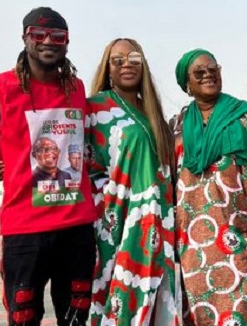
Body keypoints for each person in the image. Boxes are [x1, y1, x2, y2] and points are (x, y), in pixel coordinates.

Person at [0, 7, 97, 326]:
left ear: (67, 42)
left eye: (57, 36)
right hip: (25, 231)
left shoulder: (76, 88)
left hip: (76, 228)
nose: (48, 41)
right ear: (25, 38)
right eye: (38, 34)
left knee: (76, 319)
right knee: (23, 318)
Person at [172, 48, 247, 325]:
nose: (208, 75)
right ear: (187, 84)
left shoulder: (245, 116)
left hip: (242, 234)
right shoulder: (176, 125)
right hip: (194, 241)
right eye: (199, 72)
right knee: (201, 311)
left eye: (213, 69)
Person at [86, 38, 179, 325]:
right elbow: (67, 154)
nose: (127, 64)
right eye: (118, 60)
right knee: (121, 296)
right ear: (107, 69)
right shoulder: (93, 109)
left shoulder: (152, 113)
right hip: (116, 222)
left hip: (161, 219)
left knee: (160, 297)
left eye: (134, 59)